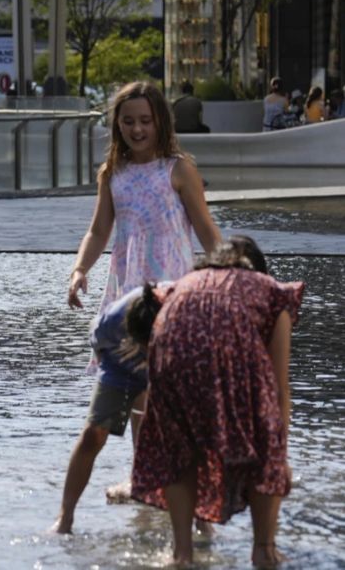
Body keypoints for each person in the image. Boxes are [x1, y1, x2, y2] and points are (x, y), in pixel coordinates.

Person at [64, 81, 221, 506]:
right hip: (128, 297)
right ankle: (147, 477)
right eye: (128, 121)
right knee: (139, 388)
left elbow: (206, 229)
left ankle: (174, 475)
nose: (137, 129)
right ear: (117, 124)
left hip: (173, 293)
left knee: (167, 388)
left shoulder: (178, 169)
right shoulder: (113, 174)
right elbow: (99, 231)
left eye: (145, 121)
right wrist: (80, 270)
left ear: (160, 122)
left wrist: (232, 275)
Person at [127, 236, 303, 566]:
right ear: (253, 267)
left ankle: (181, 553)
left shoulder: (183, 282)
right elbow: (279, 387)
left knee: (181, 448)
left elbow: (158, 321)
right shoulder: (273, 291)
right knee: (266, 443)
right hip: (226, 349)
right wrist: (278, 449)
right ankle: (263, 549)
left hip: (170, 349)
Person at [50, 283, 153, 534]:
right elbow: (99, 348)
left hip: (171, 358)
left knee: (182, 439)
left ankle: (201, 524)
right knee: (92, 434)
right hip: (119, 359)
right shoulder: (111, 322)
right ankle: (65, 519)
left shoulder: (185, 314)